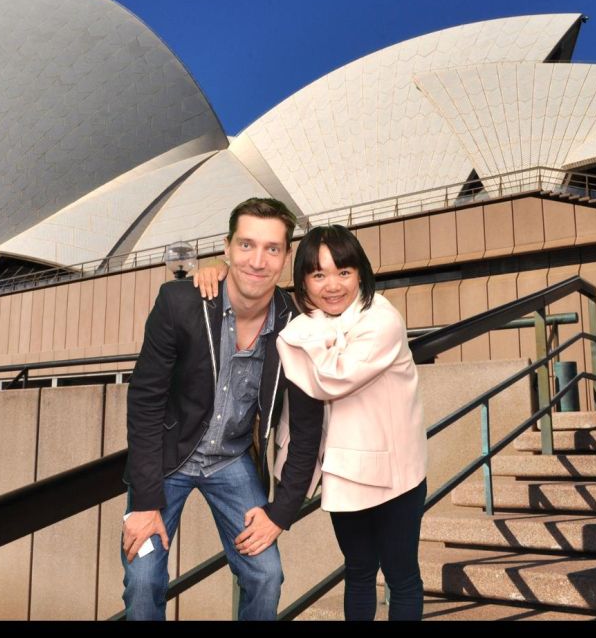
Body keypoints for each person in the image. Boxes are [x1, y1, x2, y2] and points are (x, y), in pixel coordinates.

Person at [194, 224, 427, 621]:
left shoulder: (380, 318)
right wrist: (216, 267)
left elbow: (334, 378)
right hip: (345, 469)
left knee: (401, 575)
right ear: (303, 280)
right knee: (357, 573)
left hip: (396, 474)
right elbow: (254, 285)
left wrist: (300, 331)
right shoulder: (312, 321)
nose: (332, 285)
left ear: (361, 273)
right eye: (318, 274)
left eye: (344, 272)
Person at [121, 197, 325, 621]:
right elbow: (145, 400)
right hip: (167, 459)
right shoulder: (181, 302)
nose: (257, 260)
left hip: (231, 462)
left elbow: (307, 430)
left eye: (272, 248)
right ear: (227, 248)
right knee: (143, 579)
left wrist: (280, 515)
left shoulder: (295, 324)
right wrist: (143, 502)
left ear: (286, 257)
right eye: (247, 245)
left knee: (266, 574)